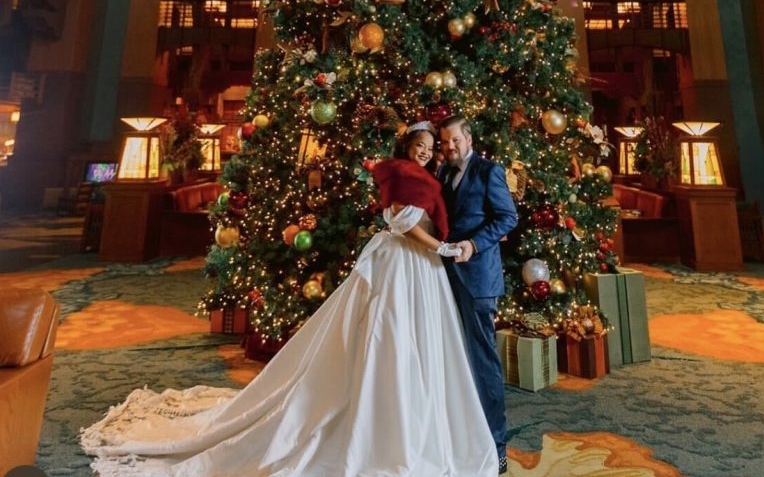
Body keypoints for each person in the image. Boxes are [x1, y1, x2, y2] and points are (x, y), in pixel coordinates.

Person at [80, 120, 499, 477]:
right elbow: (405, 221)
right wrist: (440, 248)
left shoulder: (439, 173)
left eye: (436, 146)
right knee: (385, 333)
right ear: (408, 147)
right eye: (423, 146)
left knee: (419, 337)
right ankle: (380, 422)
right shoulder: (400, 173)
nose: (430, 152)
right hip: (406, 262)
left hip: (425, 271)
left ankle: (416, 417)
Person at [438, 115, 518, 477]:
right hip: (442, 278)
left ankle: (496, 446)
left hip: (477, 279)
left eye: (455, 140)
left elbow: (507, 217)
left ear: (468, 138)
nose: (450, 147)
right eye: (445, 142)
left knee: (483, 361)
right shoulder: (442, 173)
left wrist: (473, 244)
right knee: (452, 359)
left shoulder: (489, 171)